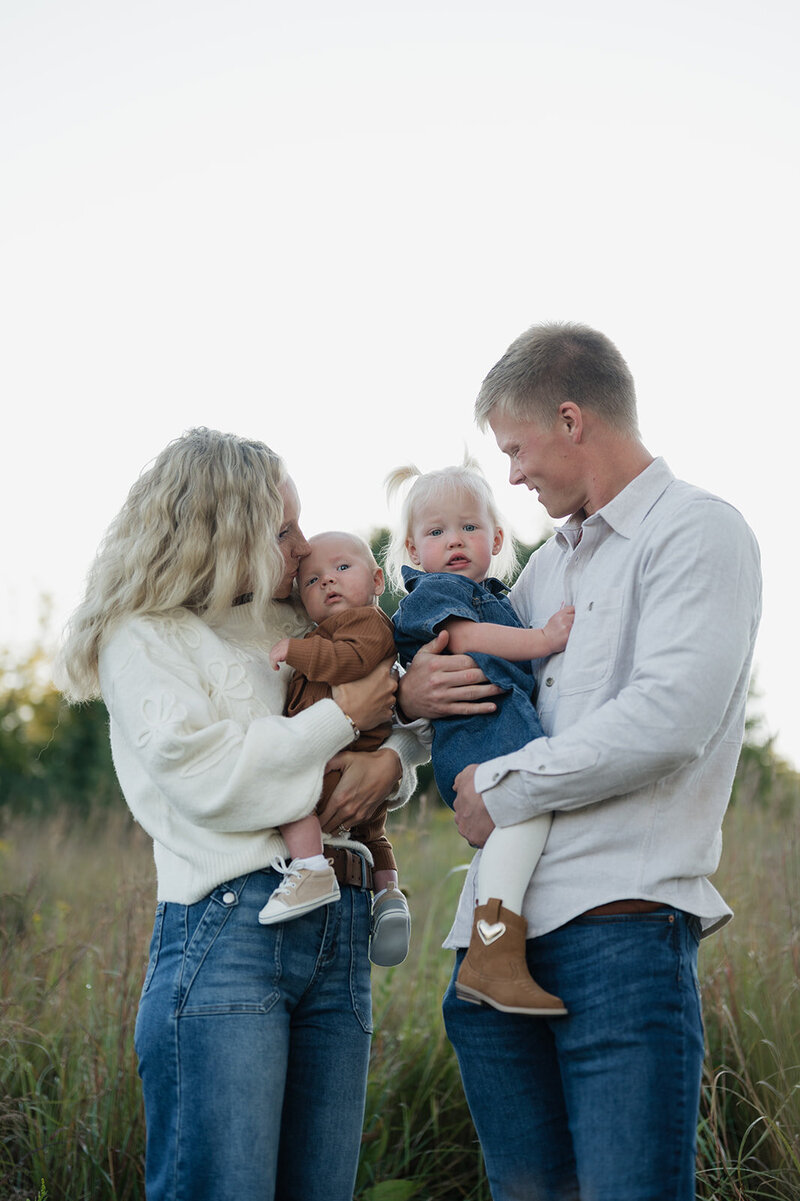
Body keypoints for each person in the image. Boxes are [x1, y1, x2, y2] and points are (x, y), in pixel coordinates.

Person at [397, 323, 762, 1201]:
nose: (513, 475)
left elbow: (669, 718)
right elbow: (472, 681)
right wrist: (411, 702)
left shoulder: (698, 532)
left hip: (619, 939)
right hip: (487, 955)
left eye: (516, 449)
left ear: (570, 420)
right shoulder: (541, 577)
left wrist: (505, 784)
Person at [55, 428, 426, 1201]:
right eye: (282, 528)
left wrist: (392, 763)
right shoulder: (146, 637)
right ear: (222, 530)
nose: (300, 547)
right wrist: (339, 722)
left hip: (343, 915)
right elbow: (212, 775)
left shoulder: (293, 621)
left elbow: (378, 715)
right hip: (230, 928)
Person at [387, 459, 574, 1013]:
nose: (455, 541)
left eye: (470, 527)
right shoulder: (433, 593)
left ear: (495, 537)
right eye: (437, 531)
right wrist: (542, 640)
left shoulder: (496, 594)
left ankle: (497, 947)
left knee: (522, 822)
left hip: (498, 735)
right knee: (525, 811)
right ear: (413, 549)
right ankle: (493, 954)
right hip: (476, 739)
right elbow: (468, 638)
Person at [262, 530, 412, 967]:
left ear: (378, 581)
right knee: (372, 834)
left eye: (342, 568)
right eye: (311, 581)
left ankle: (310, 868)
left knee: (290, 799)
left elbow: (349, 662)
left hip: (339, 759)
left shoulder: (364, 623)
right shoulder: (325, 631)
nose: (327, 581)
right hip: (363, 767)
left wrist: (297, 651)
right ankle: (388, 896)